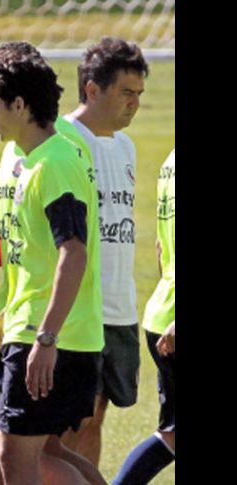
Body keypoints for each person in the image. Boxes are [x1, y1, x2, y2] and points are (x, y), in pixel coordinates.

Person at [0, 42, 106, 485]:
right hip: (41, 329)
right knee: (46, 451)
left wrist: (46, 338)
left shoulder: (54, 163)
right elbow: (26, 243)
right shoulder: (32, 160)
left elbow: (73, 251)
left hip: (49, 334)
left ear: (18, 104)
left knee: (14, 457)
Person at [60, 38, 150, 467]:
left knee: (96, 420)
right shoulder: (62, 141)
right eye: (126, 93)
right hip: (77, 311)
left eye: (139, 95)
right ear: (92, 89)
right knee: (64, 427)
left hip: (118, 308)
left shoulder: (125, 147)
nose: (134, 104)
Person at [113, 148, 175, 485]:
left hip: (163, 309)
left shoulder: (169, 161)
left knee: (172, 435)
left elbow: (161, 248)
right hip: (172, 320)